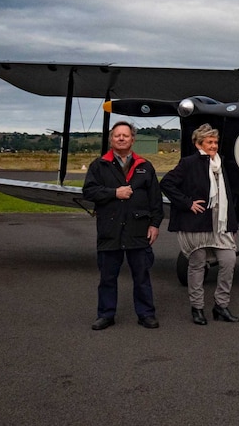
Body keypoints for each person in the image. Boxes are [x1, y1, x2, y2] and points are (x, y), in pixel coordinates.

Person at [82, 121, 163, 330]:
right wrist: (114, 193)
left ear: (132, 139)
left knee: (142, 276)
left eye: (125, 135)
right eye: (117, 135)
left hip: (138, 230)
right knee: (107, 277)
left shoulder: (145, 166)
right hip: (110, 230)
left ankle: (146, 314)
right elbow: (89, 191)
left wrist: (154, 225)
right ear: (111, 139)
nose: (121, 138)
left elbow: (156, 200)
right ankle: (106, 314)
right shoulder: (99, 165)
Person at [160, 123, 239, 325]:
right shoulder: (188, 163)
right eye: (209, 142)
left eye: (215, 142)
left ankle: (221, 305)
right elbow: (166, 183)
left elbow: (227, 197)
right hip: (196, 225)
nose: (214, 146)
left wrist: (232, 226)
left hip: (219, 225)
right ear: (198, 144)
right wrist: (187, 203)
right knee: (197, 266)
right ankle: (197, 308)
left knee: (229, 261)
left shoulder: (221, 165)